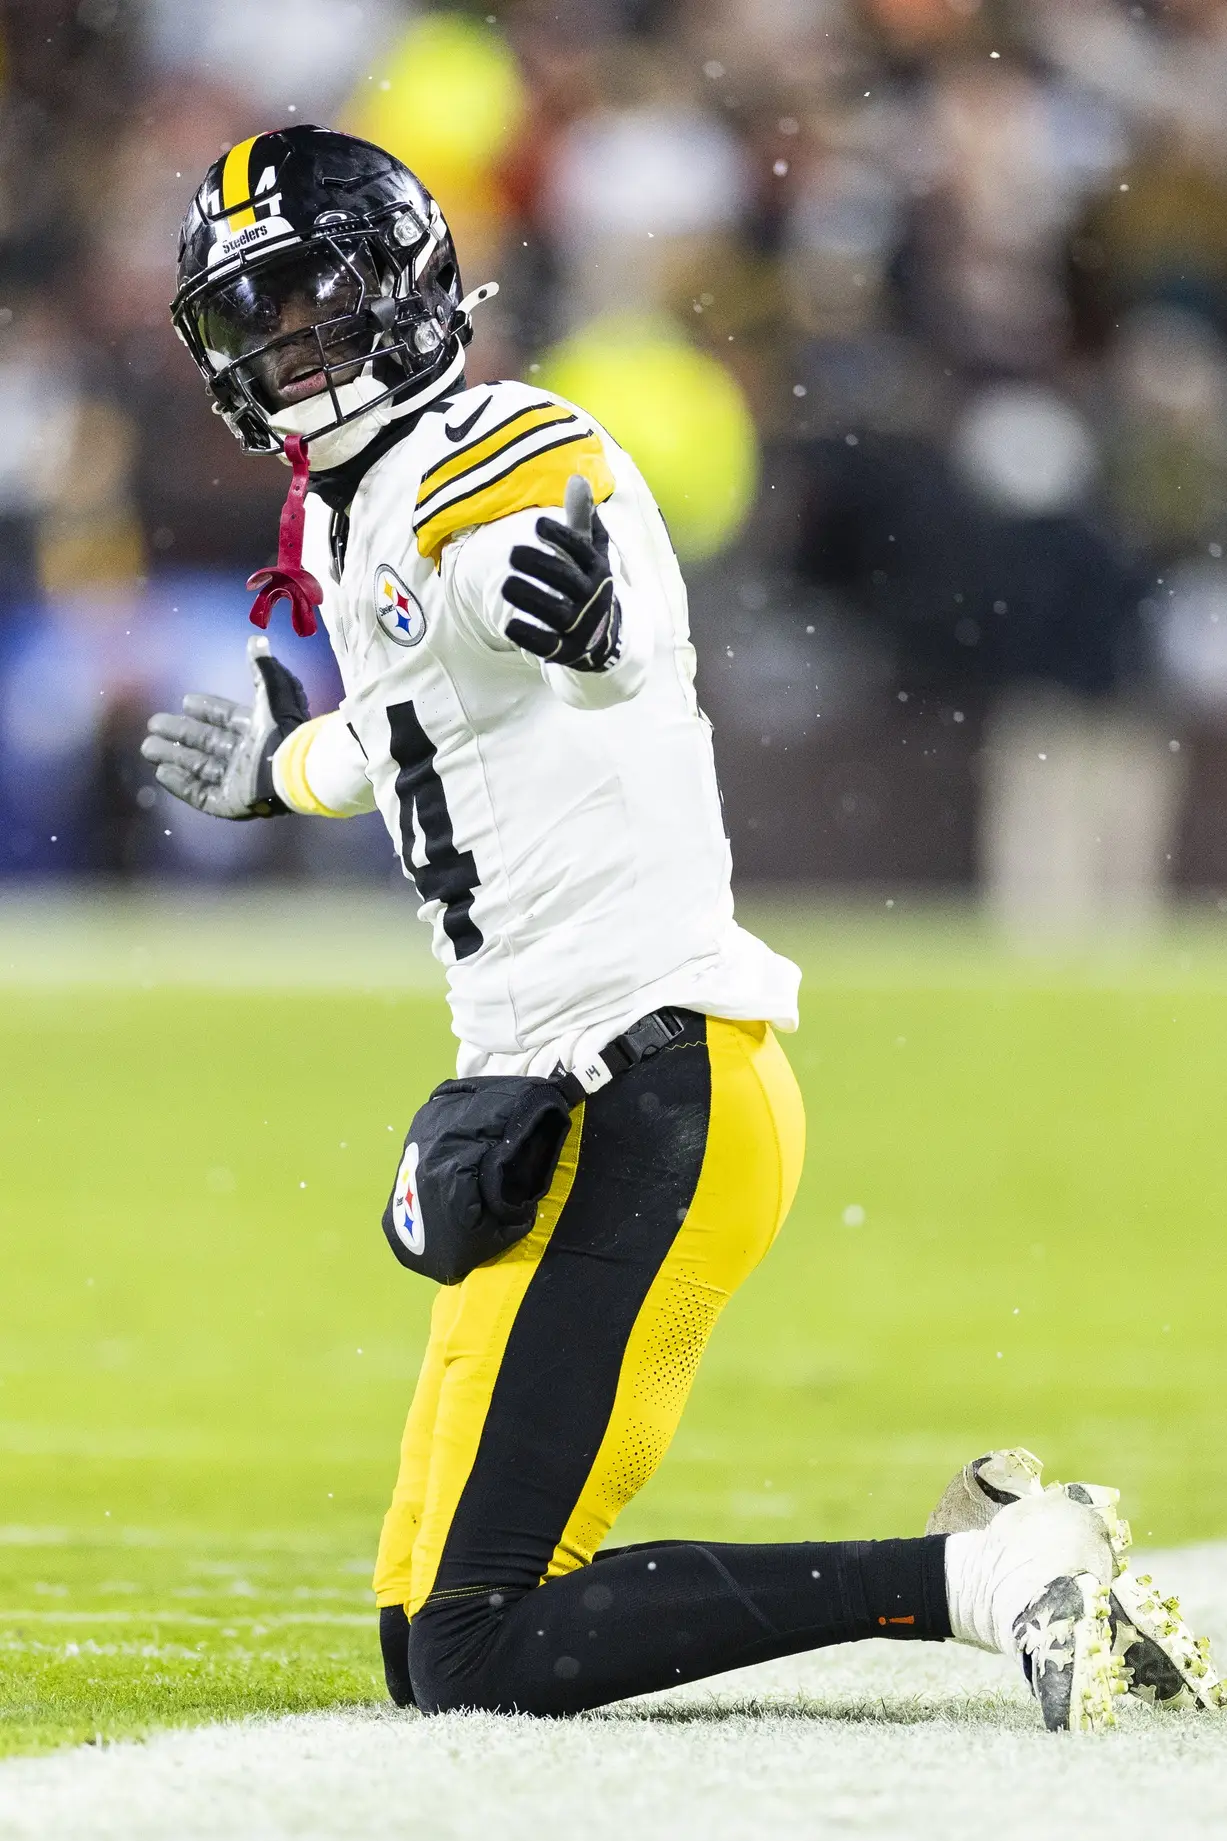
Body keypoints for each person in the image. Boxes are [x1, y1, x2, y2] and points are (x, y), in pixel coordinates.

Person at [142, 126, 1216, 1729]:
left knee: (479, 1647)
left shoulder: (504, 445)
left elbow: (585, 607)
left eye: (312, 299)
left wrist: (586, 631)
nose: (287, 345)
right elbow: (421, 715)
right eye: (257, 317)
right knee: (427, 1640)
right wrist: (284, 772)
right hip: (552, 1080)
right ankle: (981, 1549)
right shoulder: (344, 519)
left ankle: (987, 1580)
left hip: (649, 1081)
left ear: (410, 284)